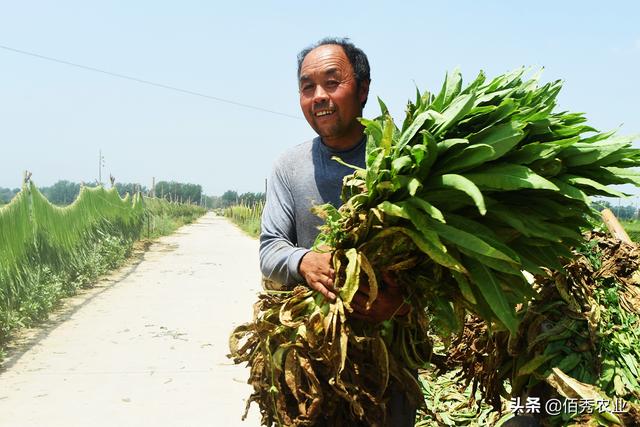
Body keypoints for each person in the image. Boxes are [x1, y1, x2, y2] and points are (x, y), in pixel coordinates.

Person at [259, 37, 415, 426]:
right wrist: (304, 260)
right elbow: (269, 250)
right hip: (312, 361)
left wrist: (401, 303)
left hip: (388, 363)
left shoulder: (401, 159)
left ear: (363, 90)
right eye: (307, 86)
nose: (319, 96)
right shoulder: (288, 167)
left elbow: (443, 264)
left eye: (332, 82)